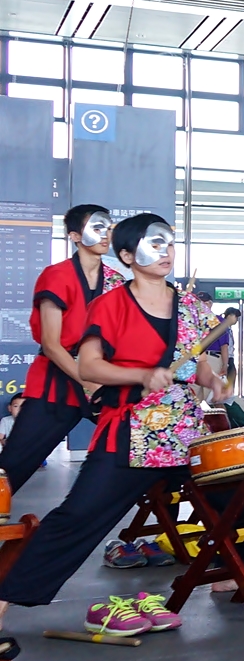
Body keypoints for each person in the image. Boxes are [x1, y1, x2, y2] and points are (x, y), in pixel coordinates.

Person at [0, 213, 223, 642]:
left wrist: (212, 381)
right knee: (78, 516)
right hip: (131, 432)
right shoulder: (111, 304)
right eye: (153, 244)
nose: (165, 252)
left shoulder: (192, 306)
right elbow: (89, 365)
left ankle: (237, 572)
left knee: (243, 492)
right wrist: (141, 376)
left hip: (185, 434)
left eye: (169, 244)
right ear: (126, 255)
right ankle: (4, 598)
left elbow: (200, 366)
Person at [0, 205, 125, 498]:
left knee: (143, 447)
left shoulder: (116, 280)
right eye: (97, 227)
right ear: (74, 236)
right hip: (57, 383)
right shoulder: (57, 275)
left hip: (101, 381)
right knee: (12, 467)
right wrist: (88, 381)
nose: (106, 234)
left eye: (109, 227)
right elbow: (51, 344)